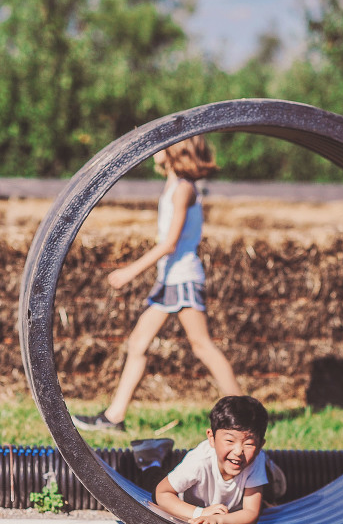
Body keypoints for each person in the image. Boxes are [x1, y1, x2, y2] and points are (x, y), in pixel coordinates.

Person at [71, 136, 241, 433]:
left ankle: (243, 414)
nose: (155, 149)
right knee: (138, 344)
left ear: (176, 150)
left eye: (162, 145)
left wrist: (130, 272)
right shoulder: (176, 186)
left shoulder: (183, 189)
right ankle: (114, 417)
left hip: (182, 278)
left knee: (202, 346)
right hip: (170, 279)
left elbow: (170, 243)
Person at [155, 396, 270, 524]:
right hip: (189, 504)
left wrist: (217, 519)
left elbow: (251, 513)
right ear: (211, 438)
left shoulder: (255, 459)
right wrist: (200, 513)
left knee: (275, 489)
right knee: (152, 479)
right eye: (229, 441)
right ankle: (151, 460)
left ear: (260, 446)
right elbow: (161, 493)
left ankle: (272, 480)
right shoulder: (199, 461)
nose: (239, 451)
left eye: (249, 443)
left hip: (225, 510)